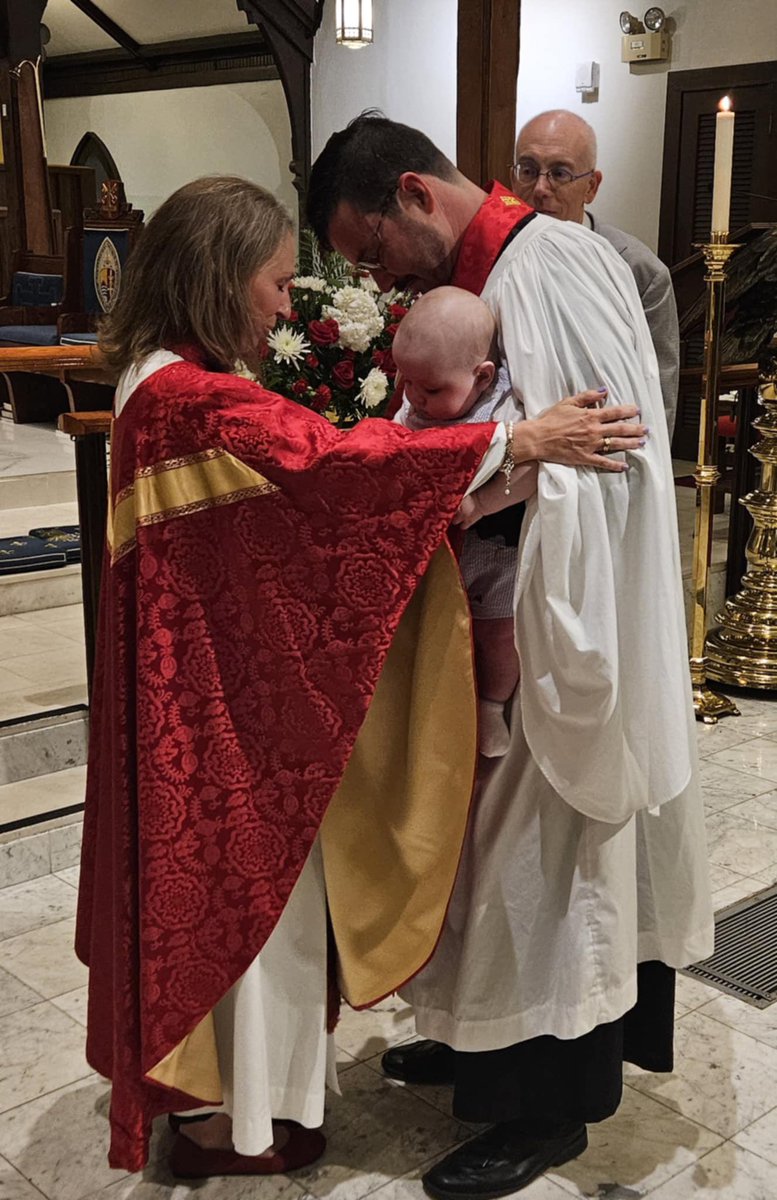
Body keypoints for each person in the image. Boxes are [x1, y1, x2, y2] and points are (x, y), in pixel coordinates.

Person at [75, 174, 645, 1180]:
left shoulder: (154, 382)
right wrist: (519, 437)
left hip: (204, 703)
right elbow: (334, 469)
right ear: (219, 275)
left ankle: (223, 1113)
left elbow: (272, 517)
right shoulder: (190, 398)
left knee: (232, 911)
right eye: (276, 280)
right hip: (222, 731)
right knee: (253, 908)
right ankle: (227, 1130)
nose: (285, 304)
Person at [308, 114, 713, 1199]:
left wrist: (479, 476)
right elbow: (507, 428)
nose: (375, 276)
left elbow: (603, 455)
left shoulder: (551, 266)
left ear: (411, 194)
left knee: (548, 849)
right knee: (480, 842)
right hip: (493, 597)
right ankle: (480, 1035)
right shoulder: (493, 267)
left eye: (369, 250)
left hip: (551, 614)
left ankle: (550, 1105)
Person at [392, 286, 539, 756]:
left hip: (495, 545)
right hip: (436, 552)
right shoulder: (416, 401)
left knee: (498, 630)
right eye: (405, 382)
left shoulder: (503, 409)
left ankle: (493, 704)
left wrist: (483, 504)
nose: (415, 397)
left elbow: (528, 469)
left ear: (482, 377)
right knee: (438, 635)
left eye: (431, 389)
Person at [511, 108, 680, 437]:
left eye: (560, 174)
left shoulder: (639, 271)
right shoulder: (497, 254)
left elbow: (657, 402)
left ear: (591, 186)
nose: (541, 188)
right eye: (528, 170)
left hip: (605, 455)